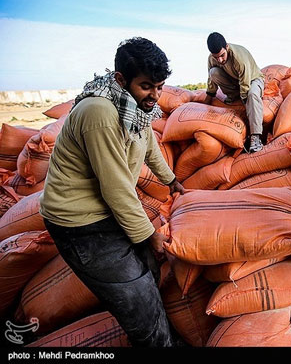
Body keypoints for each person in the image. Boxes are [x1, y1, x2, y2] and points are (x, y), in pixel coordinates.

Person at [39, 37, 184, 347]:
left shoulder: (133, 107)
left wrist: (171, 179)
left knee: (150, 269)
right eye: (147, 86)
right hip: (80, 223)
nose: (155, 96)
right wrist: (149, 233)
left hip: (106, 208)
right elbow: (116, 186)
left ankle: (163, 334)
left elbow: (148, 145)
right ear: (121, 79)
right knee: (138, 297)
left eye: (159, 87)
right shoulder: (100, 113)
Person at [203, 32, 265, 152]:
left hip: (253, 79)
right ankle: (232, 96)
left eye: (222, 55)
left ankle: (256, 137)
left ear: (226, 47)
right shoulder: (212, 59)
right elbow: (211, 83)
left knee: (252, 94)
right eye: (216, 57)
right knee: (213, 72)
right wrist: (205, 105)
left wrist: (247, 108)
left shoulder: (238, 57)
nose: (219, 60)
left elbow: (245, 84)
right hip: (235, 83)